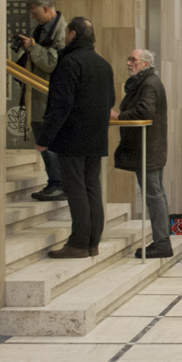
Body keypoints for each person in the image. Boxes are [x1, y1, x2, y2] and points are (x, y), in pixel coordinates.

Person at [36, 17, 115, 259]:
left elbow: (60, 104)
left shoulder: (69, 62)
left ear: (71, 34)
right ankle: (93, 242)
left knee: (75, 188)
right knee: (92, 187)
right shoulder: (103, 64)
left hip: (72, 137)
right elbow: (110, 101)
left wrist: (45, 137)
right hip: (96, 136)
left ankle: (79, 242)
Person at [111, 49, 172, 259]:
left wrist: (119, 116)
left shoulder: (149, 84)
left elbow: (145, 111)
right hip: (147, 148)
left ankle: (162, 242)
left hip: (148, 148)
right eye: (128, 59)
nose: (128, 63)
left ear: (145, 64)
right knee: (156, 194)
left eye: (133, 60)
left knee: (154, 194)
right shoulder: (146, 82)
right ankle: (162, 240)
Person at [15, 0, 69, 202]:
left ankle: (59, 183)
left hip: (49, 95)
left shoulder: (62, 31)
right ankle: (53, 181)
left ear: (47, 9)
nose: (33, 17)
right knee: (43, 141)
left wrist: (33, 48)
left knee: (51, 143)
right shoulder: (41, 29)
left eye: (36, 12)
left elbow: (52, 62)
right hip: (37, 94)